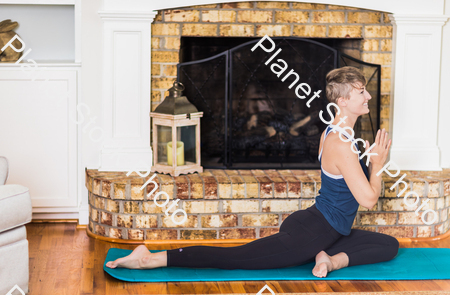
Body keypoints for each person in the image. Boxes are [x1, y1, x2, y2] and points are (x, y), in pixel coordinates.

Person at [106, 66, 399, 278]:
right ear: (343, 101)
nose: (368, 97)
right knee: (235, 258)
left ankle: (329, 259)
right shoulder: (342, 143)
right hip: (312, 232)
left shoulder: (336, 132)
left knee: (388, 245)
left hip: (321, 225)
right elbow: (369, 200)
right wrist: (377, 163)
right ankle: (152, 259)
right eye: (361, 92)